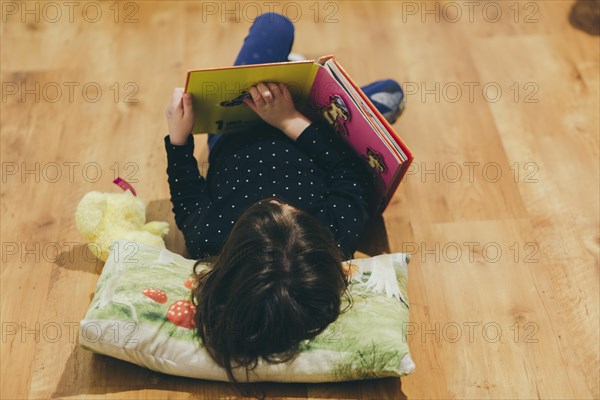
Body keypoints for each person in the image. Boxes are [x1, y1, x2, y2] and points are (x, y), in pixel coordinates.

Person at [164, 12, 405, 387]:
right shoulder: (332, 239)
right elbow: (351, 175)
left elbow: (187, 194)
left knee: (275, 26)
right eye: (290, 210)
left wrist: (179, 138)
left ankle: (307, 84)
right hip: (313, 129)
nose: (277, 201)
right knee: (392, 92)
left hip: (237, 123)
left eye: (266, 209)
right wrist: (290, 119)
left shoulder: (210, 237)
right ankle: (320, 94)